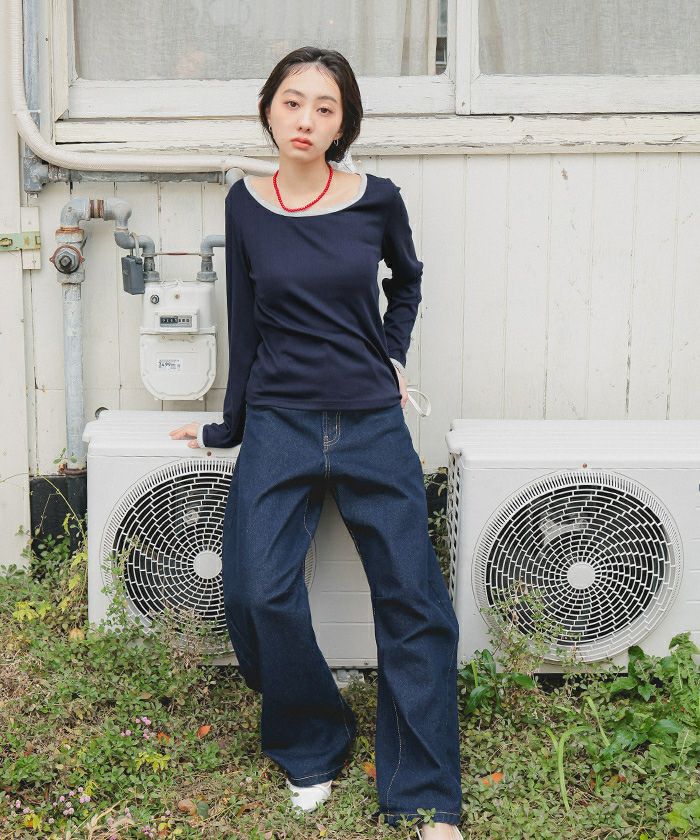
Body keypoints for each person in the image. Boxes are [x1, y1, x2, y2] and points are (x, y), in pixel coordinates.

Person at [169, 46, 463, 840]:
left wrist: (389, 353)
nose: (305, 119)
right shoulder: (245, 205)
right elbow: (244, 321)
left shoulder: (377, 200)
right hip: (280, 421)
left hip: (370, 422)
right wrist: (229, 425)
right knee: (254, 591)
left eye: (324, 107)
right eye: (292, 102)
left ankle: (425, 797)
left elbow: (408, 281)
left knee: (412, 601)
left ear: (343, 124)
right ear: (269, 110)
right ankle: (312, 741)